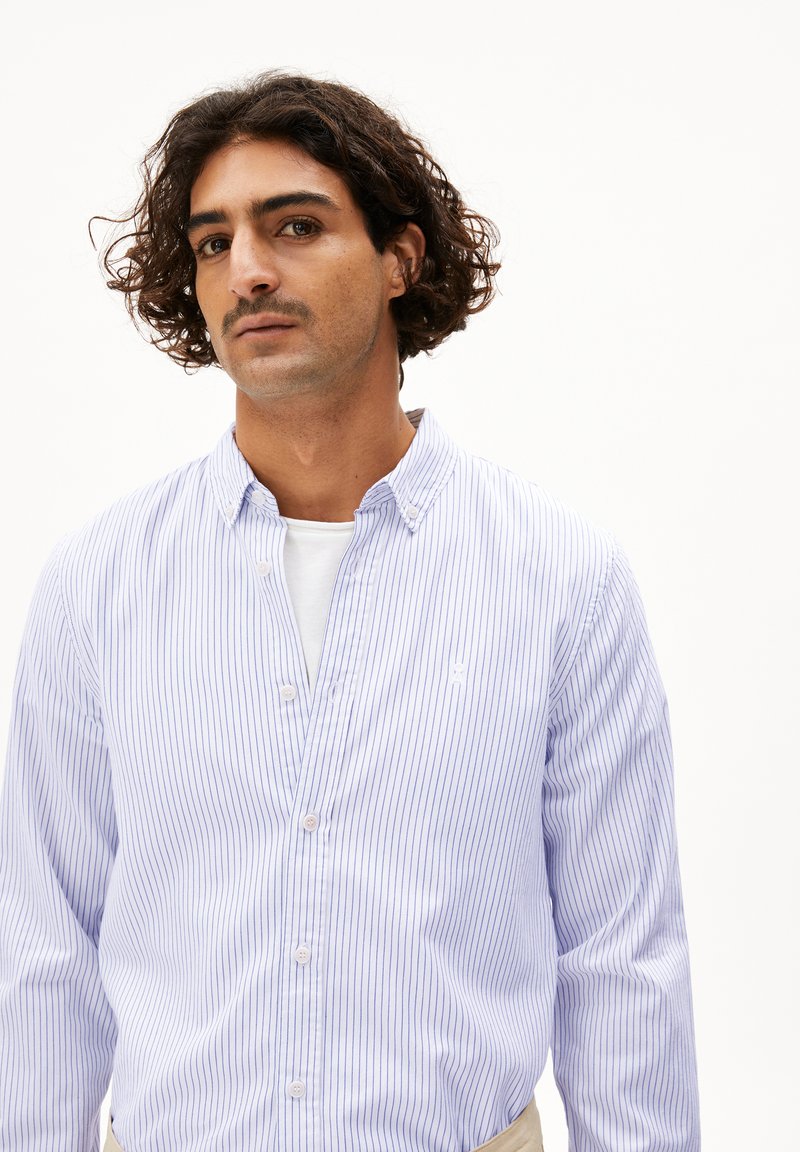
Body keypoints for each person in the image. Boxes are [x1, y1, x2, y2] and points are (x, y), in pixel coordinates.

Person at [0, 71, 701, 1152]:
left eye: (295, 226)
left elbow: (621, 964)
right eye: (213, 242)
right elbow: (45, 959)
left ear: (399, 260)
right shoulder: (98, 588)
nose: (249, 270)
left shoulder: (561, 580)